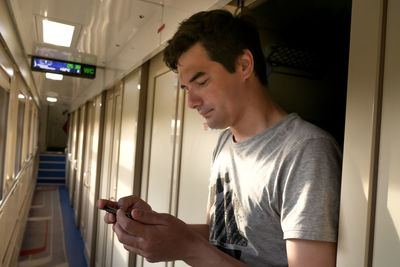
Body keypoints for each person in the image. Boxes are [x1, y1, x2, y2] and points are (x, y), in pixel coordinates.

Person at [97, 9, 342, 267]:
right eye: (186, 89)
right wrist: (156, 226)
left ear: (244, 65)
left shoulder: (306, 151)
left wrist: (187, 248)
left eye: (201, 82)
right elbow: (222, 239)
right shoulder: (225, 144)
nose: (191, 102)